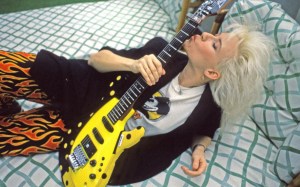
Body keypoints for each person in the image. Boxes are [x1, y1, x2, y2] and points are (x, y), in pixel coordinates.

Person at [0, 24, 273, 185]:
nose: (205, 35)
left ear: (213, 73)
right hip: (77, 85)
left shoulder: (209, 104)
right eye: (216, 35)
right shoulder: (160, 50)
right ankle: (7, 102)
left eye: (215, 45)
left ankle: (8, 110)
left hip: (79, 130)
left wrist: (200, 148)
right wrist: (133, 64)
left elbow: (206, 127)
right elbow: (96, 58)